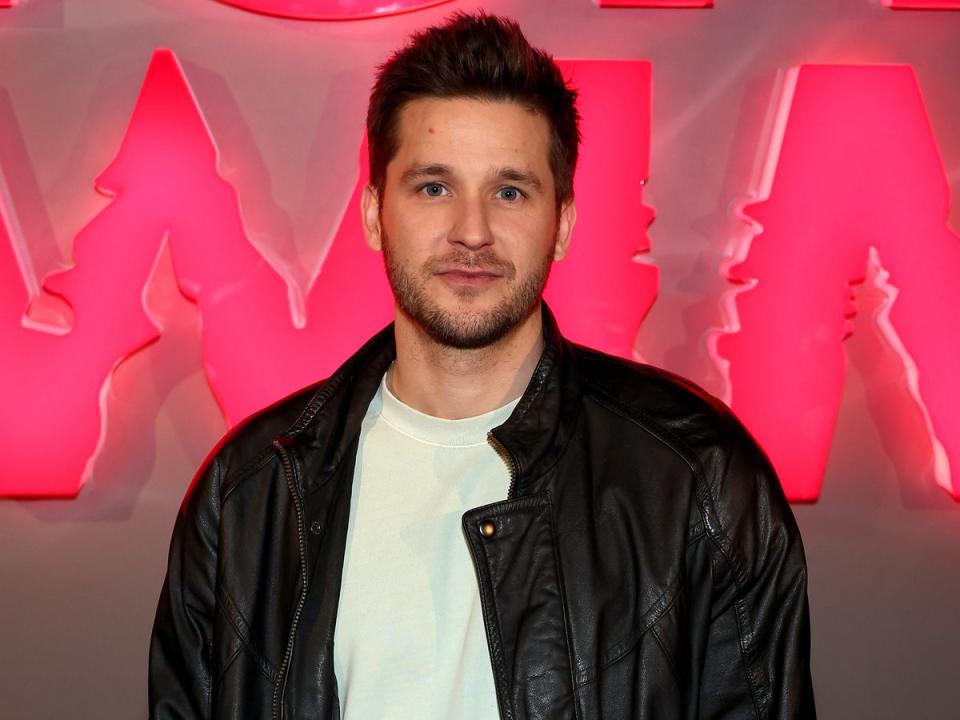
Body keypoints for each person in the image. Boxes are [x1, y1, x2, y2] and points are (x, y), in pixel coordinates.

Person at [149, 11, 814, 719]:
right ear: (376, 215)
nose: (472, 231)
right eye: (434, 187)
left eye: (509, 191)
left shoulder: (698, 480)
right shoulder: (248, 496)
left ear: (561, 223)